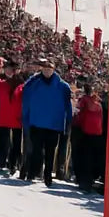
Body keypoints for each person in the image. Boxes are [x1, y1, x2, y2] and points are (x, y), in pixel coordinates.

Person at [20, 56, 71, 186]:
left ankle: (48, 176)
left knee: (50, 152)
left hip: (54, 125)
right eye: (45, 68)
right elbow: (25, 93)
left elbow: (68, 107)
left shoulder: (63, 86)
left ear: (54, 70)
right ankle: (32, 173)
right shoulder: (34, 83)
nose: (47, 71)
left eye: (50, 69)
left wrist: (67, 123)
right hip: (37, 123)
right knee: (36, 150)